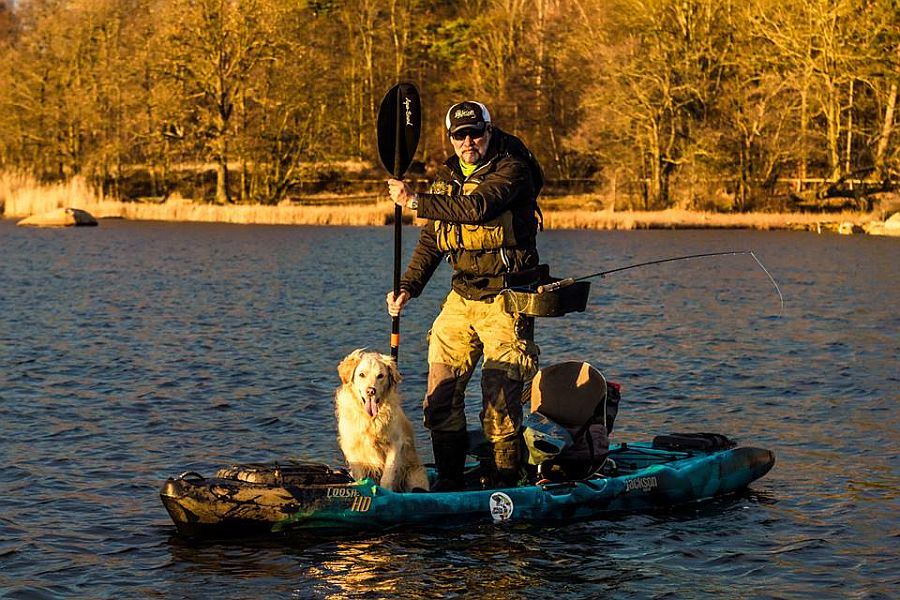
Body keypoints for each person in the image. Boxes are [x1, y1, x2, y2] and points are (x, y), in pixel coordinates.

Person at [386, 100, 544, 490]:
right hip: (461, 298)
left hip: (507, 298)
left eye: (476, 132)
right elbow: (433, 241)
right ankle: (451, 484)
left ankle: (508, 483)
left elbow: (476, 208)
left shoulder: (513, 169)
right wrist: (408, 287)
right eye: (460, 135)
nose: (468, 141)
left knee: (499, 404)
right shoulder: (447, 179)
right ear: (451, 139)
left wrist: (413, 201)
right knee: (439, 401)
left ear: (489, 131)